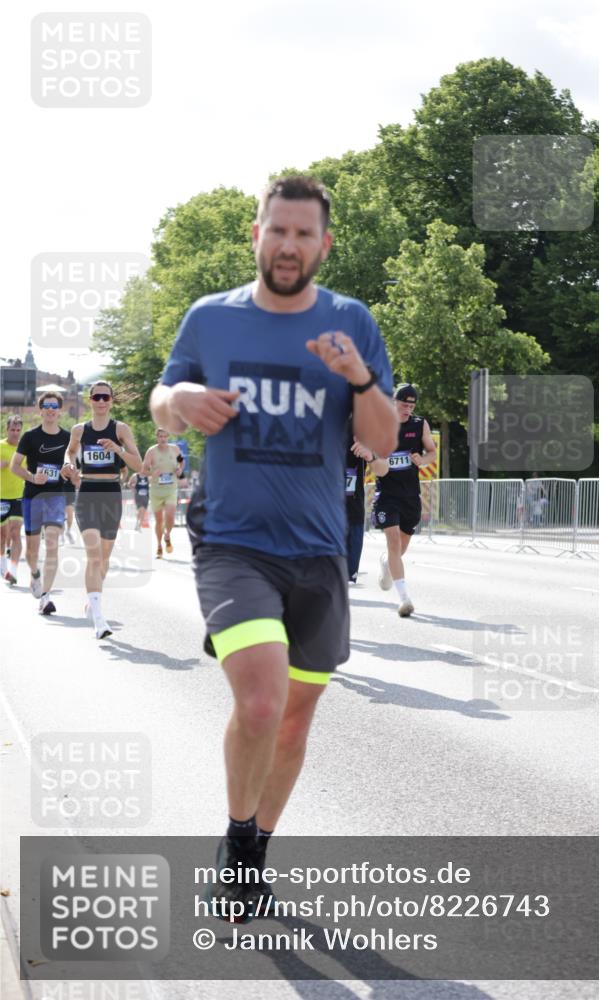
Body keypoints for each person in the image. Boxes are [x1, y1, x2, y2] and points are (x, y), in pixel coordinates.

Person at [150, 174, 397, 922]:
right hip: (233, 543)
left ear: (322, 244)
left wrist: (357, 377)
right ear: (255, 235)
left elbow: (379, 442)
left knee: (294, 716)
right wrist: (178, 402)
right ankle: (236, 837)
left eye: (303, 234)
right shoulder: (210, 319)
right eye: (276, 230)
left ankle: (258, 844)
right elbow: (163, 402)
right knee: (259, 703)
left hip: (319, 549)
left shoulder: (351, 322)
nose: (288, 245)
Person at [61, 381, 142, 639]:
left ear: (110, 400)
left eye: (105, 396)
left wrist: (118, 449)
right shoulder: (78, 430)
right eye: (96, 396)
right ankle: (99, 619)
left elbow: (139, 465)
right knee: (94, 556)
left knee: (104, 559)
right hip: (87, 493)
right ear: (90, 399)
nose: (101, 401)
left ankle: (92, 600)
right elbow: (70, 452)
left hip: (111, 495)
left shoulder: (120, 429)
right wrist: (68, 464)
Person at [372, 383, 437, 617]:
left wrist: (424, 459)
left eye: (411, 405)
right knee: (393, 541)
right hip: (387, 495)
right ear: (393, 402)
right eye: (403, 404)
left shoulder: (420, 425)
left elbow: (432, 452)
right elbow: (376, 463)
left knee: (400, 548)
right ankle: (404, 599)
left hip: (410, 496)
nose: (407, 409)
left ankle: (386, 562)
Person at [10, 393, 69, 614]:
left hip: (56, 496)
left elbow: (74, 465)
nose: (51, 409)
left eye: (55, 406)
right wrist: (33, 477)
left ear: (59, 410)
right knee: (31, 551)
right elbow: (15, 466)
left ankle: (46, 596)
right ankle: (34, 573)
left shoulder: (68, 437)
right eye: (47, 406)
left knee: (52, 542)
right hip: (33, 496)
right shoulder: (30, 437)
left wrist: (71, 471)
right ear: (41, 410)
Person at [143, 428, 182, 557]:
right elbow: (144, 470)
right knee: (159, 521)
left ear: (168, 437)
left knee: (170, 515)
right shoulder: (151, 451)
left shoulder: (175, 449)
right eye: (160, 436)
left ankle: (167, 535)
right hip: (156, 490)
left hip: (171, 488)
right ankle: (159, 546)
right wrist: (152, 473)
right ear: (157, 437)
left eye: (165, 436)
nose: (163, 439)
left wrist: (179, 470)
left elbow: (181, 461)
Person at [344, 420, 374, 583]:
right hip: (325, 508)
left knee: (348, 578)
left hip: (353, 506)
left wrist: (370, 454)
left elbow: (382, 466)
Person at [1, 415, 25, 585]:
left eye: (18, 430)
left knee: (16, 533)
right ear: (6, 430)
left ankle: (13, 570)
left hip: (19, 497)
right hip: (1, 497)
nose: (15, 433)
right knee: (2, 535)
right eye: (12, 430)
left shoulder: (25, 449)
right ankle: (3, 567)